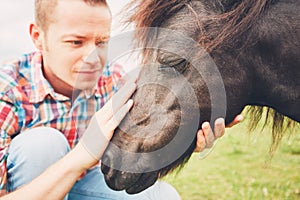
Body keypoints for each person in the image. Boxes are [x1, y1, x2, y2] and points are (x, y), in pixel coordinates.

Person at [0, 0, 243, 199]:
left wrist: (190, 129)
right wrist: (80, 156)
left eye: (101, 42)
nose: (93, 57)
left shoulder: (114, 81)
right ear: (37, 37)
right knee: (42, 144)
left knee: (164, 197)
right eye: (76, 42)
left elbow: (140, 146)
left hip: (85, 184)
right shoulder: (7, 92)